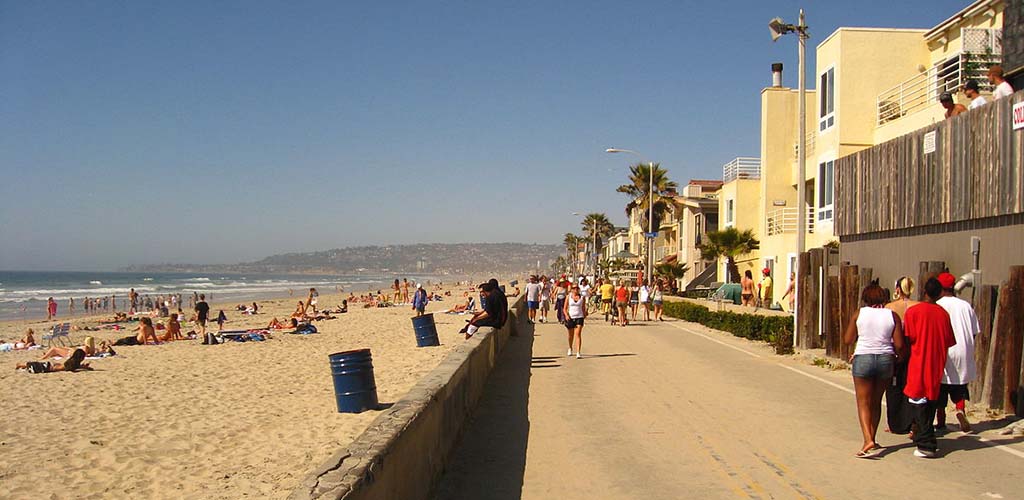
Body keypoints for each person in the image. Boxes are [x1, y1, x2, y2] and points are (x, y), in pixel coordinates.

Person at [844, 282, 905, 458]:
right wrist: (897, 357)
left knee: (863, 402)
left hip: (863, 357)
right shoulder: (892, 315)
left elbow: (848, 339)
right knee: (876, 401)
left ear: (865, 298)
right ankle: (873, 436)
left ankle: (867, 439)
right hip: (885, 358)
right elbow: (899, 344)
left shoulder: (859, 314)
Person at [902, 278, 957, 458]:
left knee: (918, 402)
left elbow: (908, 338)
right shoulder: (943, 314)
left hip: (919, 361)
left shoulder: (914, 312)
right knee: (931, 400)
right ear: (940, 293)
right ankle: (923, 436)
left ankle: (926, 442)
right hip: (937, 362)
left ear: (924, 291)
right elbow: (949, 340)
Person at [935, 272, 979, 433]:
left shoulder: (938, 305)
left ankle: (941, 420)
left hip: (944, 349)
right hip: (963, 348)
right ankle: (960, 409)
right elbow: (974, 331)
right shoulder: (965, 306)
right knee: (959, 385)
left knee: (941, 387)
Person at [563, 285, 587, 359]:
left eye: (577, 288)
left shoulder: (582, 298)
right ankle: (570, 348)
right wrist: (566, 315)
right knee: (571, 335)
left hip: (579, 317)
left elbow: (583, 308)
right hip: (570, 317)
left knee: (578, 334)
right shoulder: (568, 297)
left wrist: (585, 314)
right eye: (574, 288)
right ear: (572, 290)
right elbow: (564, 308)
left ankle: (578, 352)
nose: (575, 290)